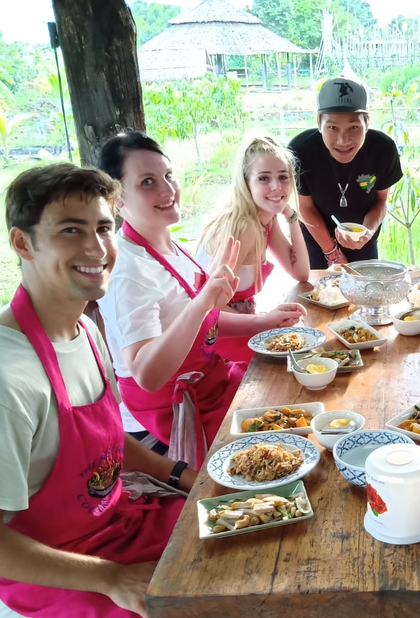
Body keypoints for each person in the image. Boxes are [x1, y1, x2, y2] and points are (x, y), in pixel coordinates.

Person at [0, 163, 330, 618]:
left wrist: (187, 478)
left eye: (103, 228)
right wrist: (110, 579)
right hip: (53, 580)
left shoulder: (81, 327)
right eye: (70, 230)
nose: (96, 247)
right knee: (247, 596)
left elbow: (105, 439)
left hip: (118, 522)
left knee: (272, 530)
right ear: (22, 243)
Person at [95, 132, 306, 462]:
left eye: (168, 175)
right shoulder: (127, 271)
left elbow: (207, 321)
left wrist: (264, 321)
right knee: (286, 444)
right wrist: (203, 303)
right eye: (147, 182)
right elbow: (148, 375)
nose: (167, 190)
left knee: (297, 399)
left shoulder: (170, 246)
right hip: (172, 409)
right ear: (117, 199)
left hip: (208, 381)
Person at [196, 134, 311, 364]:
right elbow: (210, 307)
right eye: (264, 178)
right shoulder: (244, 226)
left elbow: (301, 273)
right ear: (246, 183)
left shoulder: (265, 218)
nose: (276, 186)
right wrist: (265, 322)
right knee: (299, 360)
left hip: (242, 324)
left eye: (283, 177)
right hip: (216, 339)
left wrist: (291, 216)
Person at [289, 77, 403, 269]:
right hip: (316, 238)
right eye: (333, 127)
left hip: (362, 240)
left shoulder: (383, 149)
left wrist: (367, 232)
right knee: (318, 287)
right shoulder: (300, 150)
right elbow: (304, 207)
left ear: (367, 122)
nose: (343, 140)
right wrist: (332, 252)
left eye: (354, 127)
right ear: (319, 122)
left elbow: (381, 201)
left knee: (365, 285)